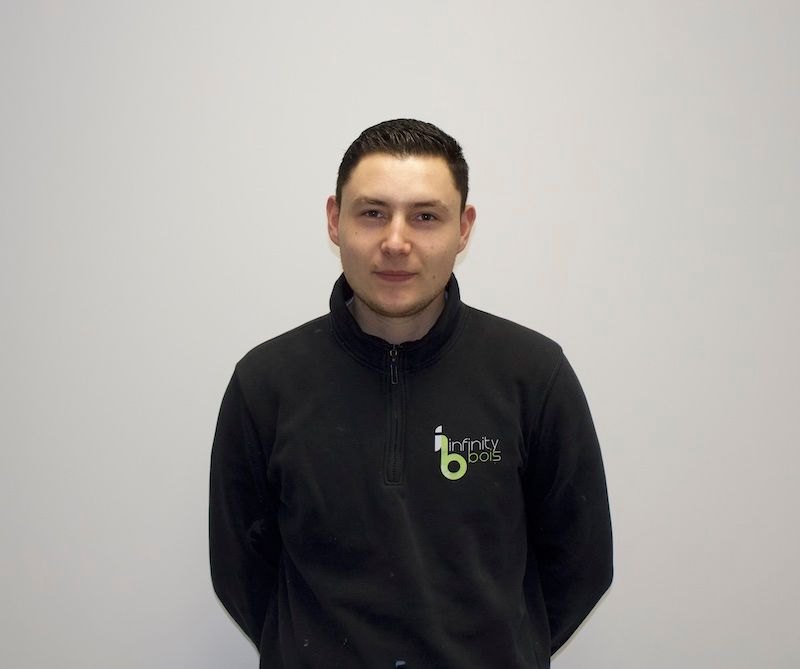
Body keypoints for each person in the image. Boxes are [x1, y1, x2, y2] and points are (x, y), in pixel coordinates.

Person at [209, 119, 613, 668]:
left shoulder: (534, 376)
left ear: (463, 229)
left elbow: (582, 563)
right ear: (334, 220)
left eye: (425, 217)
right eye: (372, 213)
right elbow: (240, 570)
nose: (396, 242)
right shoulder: (265, 383)